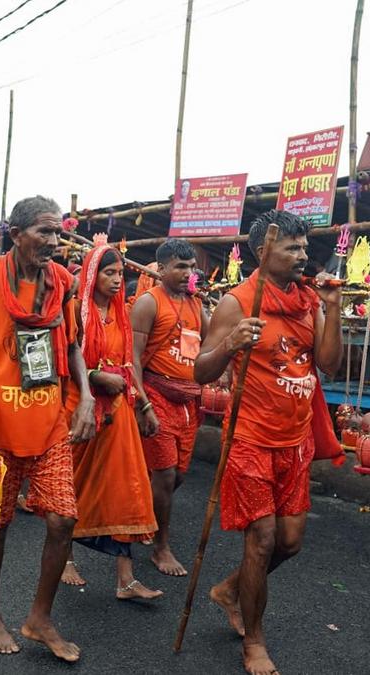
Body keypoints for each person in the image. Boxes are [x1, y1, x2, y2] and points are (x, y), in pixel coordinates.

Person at [0, 195, 96, 662]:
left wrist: (85, 396)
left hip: (49, 426)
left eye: (57, 233)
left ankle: (40, 617)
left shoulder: (62, 281)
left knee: (64, 518)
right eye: (43, 233)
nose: (53, 242)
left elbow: (71, 348)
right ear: (16, 234)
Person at [193, 209, 342, 675]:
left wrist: (333, 311)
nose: (302, 255)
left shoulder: (309, 302)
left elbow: (329, 366)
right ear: (264, 250)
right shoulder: (237, 303)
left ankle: (230, 589)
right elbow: (200, 370)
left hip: (295, 442)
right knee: (261, 540)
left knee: (290, 543)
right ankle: (254, 643)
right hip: (251, 440)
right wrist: (231, 343)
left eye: (304, 247)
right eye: (291, 247)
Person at [62, 244, 160, 599]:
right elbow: (62, 360)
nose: (118, 280)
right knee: (72, 489)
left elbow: (127, 364)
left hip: (118, 410)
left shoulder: (122, 312)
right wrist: (94, 377)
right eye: (109, 273)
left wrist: (145, 405)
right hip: (80, 409)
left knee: (127, 487)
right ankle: (65, 558)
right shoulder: (75, 310)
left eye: (121, 273)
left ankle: (126, 580)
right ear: (92, 275)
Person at [130, 238, 206, 577]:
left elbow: (208, 344)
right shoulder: (148, 303)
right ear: (161, 270)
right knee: (165, 474)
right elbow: (131, 358)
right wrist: (142, 404)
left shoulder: (196, 305)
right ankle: (161, 547)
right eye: (180, 267)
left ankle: (140, 511)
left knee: (179, 475)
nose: (187, 273)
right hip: (156, 395)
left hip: (189, 402)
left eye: (191, 267)